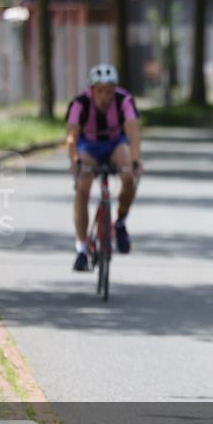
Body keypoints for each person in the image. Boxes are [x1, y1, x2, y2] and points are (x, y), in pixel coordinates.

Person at [66, 64, 142, 272]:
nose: (104, 96)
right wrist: (75, 161)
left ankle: (120, 221)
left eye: (109, 91)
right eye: (99, 91)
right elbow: (71, 137)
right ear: (92, 89)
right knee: (83, 188)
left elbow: (133, 133)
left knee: (128, 175)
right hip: (88, 147)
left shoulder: (124, 100)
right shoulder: (79, 103)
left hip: (115, 143)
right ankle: (81, 248)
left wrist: (135, 162)